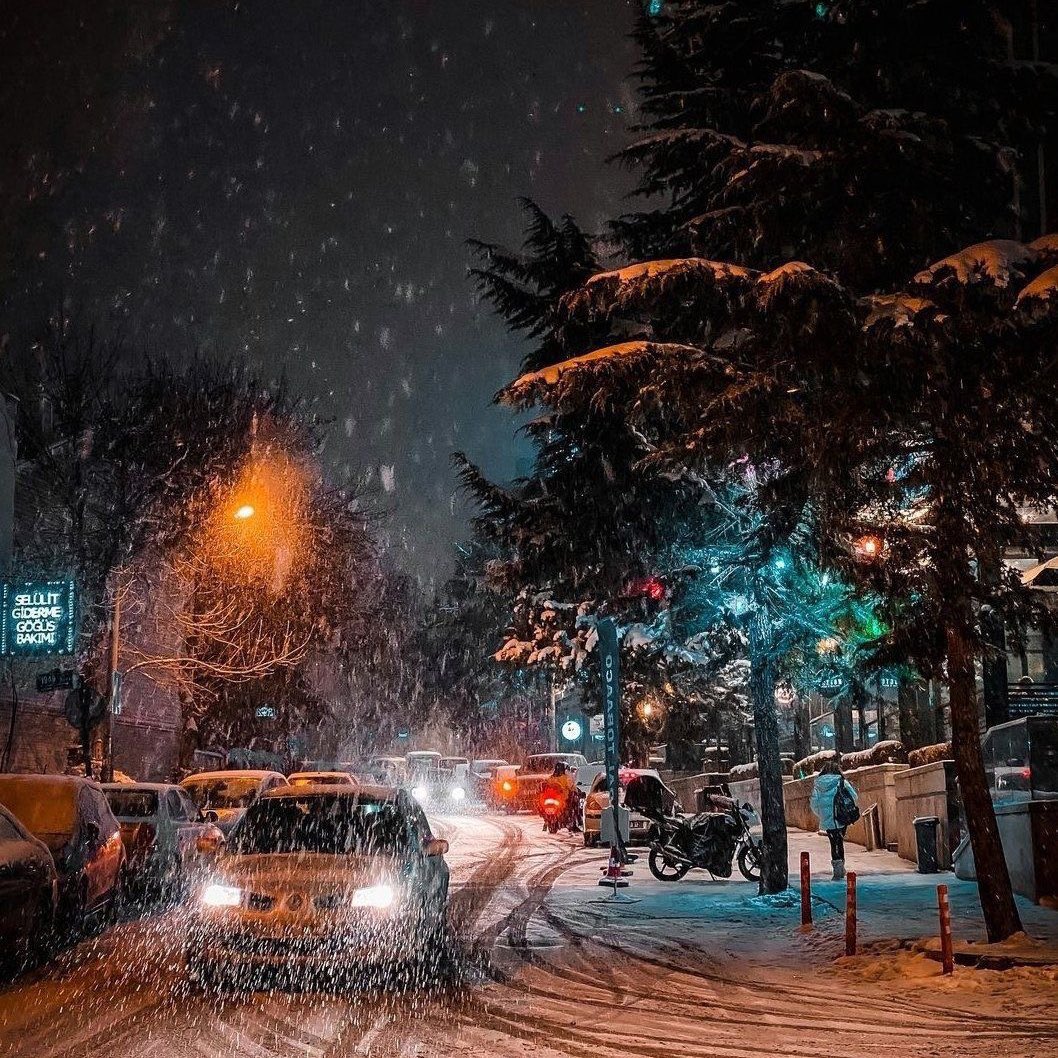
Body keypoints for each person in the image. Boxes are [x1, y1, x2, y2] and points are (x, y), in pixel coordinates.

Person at [810, 759, 858, 880]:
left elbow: (814, 803)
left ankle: (837, 867)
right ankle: (841, 867)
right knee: (840, 841)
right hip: (841, 816)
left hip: (827, 818)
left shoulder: (818, 784)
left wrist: (822, 814)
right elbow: (854, 796)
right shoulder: (841, 781)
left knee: (833, 842)